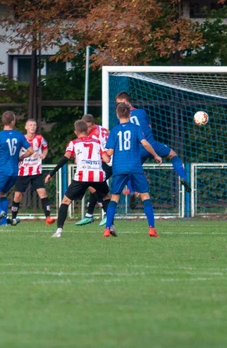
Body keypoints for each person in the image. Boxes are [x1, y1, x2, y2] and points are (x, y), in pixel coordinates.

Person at [103, 103, 163, 238]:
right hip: (135, 166)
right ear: (129, 114)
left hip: (119, 167)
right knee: (145, 195)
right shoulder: (136, 128)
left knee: (115, 197)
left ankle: (107, 228)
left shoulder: (114, 130)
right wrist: (155, 155)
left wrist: (104, 154)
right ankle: (152, 228)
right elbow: (146, 143)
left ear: (117, 115)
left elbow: (110, 151)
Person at [114, 92, 191, 194]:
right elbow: (149, 127)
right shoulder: (141, 112)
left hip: (136, 151)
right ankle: (182, 176)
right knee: (173, 154)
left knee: (129, 170)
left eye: (119, 104)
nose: (118, 107)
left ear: (126, 102)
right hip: (152, 145)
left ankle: (132, 191)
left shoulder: (121, 120)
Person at [45, 120, 111, 238]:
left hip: (82, 176)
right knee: (106, 197)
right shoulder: (97, 142)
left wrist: (52, 173)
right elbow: (106, 160)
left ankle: (59, 230)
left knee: (65, 201)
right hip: (97, 175)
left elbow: (65, 159)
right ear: (87, 130)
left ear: (76, 132)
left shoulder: (74, 143)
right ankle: (110, 226)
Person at [0, 111, 33, 225]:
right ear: (12, 122)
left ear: (3, 122)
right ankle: (4, 223)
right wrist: (21, 157)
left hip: (2, 170)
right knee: (3, 194)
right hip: (15, 171)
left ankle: (0, 212)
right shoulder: (19, 135)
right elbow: (31, 151)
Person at [10, 119, 55, 226]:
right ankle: (13, 218)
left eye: (34, 125)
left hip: (36, 171)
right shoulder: (20, 139)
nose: (33, 127)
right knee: (17, 196)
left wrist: (44, 154)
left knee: (42, 193)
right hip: (23, 171)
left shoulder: (40, 138)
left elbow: (45, 147)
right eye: (30, 125)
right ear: (26, 127)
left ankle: (48, 217)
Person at [75, 114, 111, 226]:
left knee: (93, 185)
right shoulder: (103, 130)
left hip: (107, 162)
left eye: (89, 126)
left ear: (93, 124)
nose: (87, 129)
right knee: (93, 185)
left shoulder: (95, 136)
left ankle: (106, 212)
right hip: (101, 162)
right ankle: (89, 214)